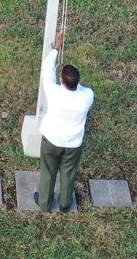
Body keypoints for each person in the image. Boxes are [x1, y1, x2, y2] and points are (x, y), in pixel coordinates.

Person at [36, 30, 94, 213]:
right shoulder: (87, 96)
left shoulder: (54, 93)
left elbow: (46, 70)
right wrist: (66, 76)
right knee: (68, 173)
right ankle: (64, 204)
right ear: (77, 82)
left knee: (48, 171)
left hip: (52, 141)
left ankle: (45, 203)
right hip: (73, 144)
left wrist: (56, 49)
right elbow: (81, 88)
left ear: (61, 80)